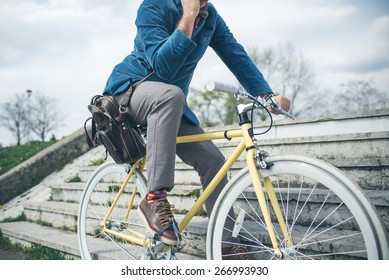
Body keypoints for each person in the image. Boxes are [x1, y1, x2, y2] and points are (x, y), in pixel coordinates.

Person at [103, 0, 291, 259]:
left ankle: (225, 243)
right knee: (171, 95)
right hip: (130, 92)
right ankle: (155, 197)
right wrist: (188, 15)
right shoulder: (153, 6)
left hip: (170, 104)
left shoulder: (211, 17)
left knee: (212, 160)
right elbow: (162, 66)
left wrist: (266, 95)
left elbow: (235, 54)